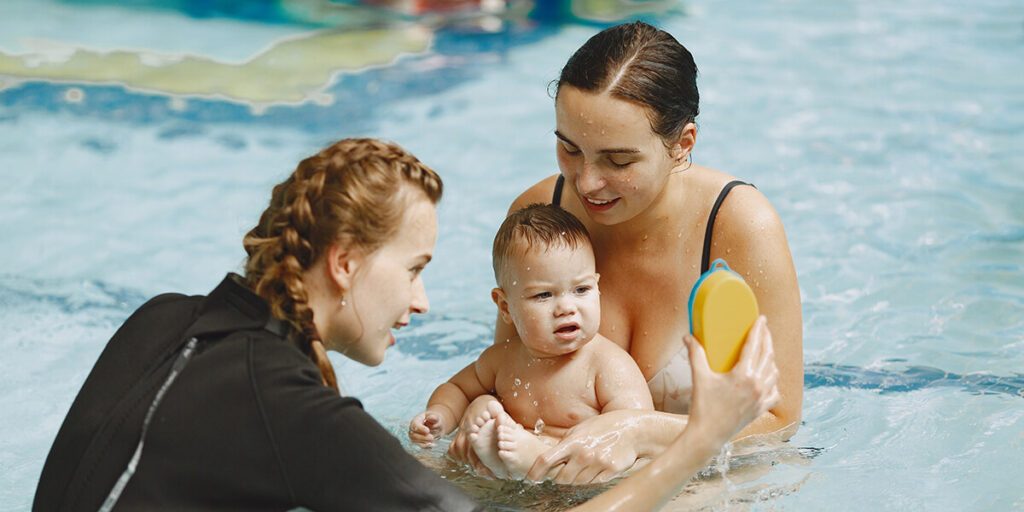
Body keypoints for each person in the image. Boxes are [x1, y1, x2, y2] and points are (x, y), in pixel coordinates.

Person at [33, 138, 779, 511]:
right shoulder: (295, 411)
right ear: (346, 263)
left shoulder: (164, 318)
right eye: (415, 268)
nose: (420, 302)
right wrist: (699, 442)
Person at [447, 21, 804, 485]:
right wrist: (481, 414)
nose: (587, 182)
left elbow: (778, 425)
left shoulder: (738, 226)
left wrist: (639, 431)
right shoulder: (540, 217)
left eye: (619, 161)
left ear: (682, 145)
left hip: (699, 487)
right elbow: (507, 374)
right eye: (569, 148)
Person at [408, 204, 653, 480]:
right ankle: (499, 451)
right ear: (505, 306)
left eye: (581, 290)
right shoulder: (501, 360)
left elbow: (636, 435)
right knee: (475, 414)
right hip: (512, 474)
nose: (566, 307)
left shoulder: (607, 366)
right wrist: (440, 416)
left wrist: (546, 450)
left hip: (581, 482)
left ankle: (537, 460)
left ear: (598, 287)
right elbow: (457, 388)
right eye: (544, 295)